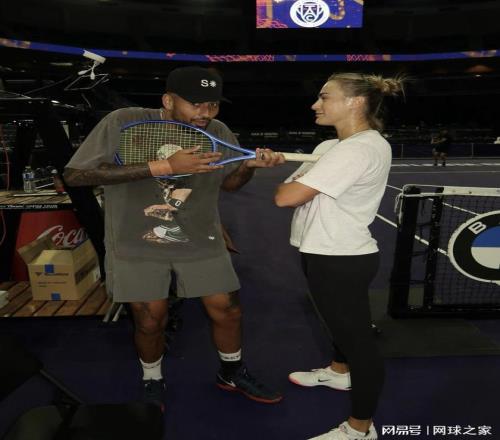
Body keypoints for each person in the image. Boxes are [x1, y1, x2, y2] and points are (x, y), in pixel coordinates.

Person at [64, 66, 285, 410]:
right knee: (150, 320)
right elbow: (75, 175)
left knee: (227, 310)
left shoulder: (218, 131)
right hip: (135, 242)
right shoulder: (124, 121)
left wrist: (247, 168)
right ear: (168, 100)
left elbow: (229, 184)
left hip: (201, 238)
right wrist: (164, 167)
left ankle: (231, 372)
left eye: (213, 104)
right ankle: (152, 379)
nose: (205, 113)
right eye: (196, 104)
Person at [274, 72, 406, 440]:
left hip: (340, 256)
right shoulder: (330, 146)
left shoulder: (358, 149)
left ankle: (360, 429)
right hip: (321, 248)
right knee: (337, 325)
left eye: (325, 97)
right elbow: (295, 186)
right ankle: (338, 371)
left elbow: (286, 196)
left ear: (355, 102)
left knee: (358, 342)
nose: (315, 104)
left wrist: (295, 182)